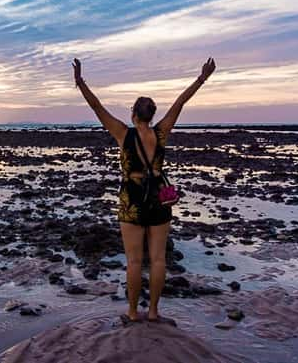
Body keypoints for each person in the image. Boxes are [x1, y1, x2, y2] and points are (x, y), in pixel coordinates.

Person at [73, 57, 216, 324]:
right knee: (159, 259)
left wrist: (80, 82)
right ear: (151, 115)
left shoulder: (123, 133)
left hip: (132, 197)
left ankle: (132, 312)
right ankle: (153, 312)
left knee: (135, 261)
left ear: (134, 115)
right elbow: (180, 103)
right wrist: (202, 78)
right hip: (159, 196)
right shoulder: (161, 132)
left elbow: (96, 106)